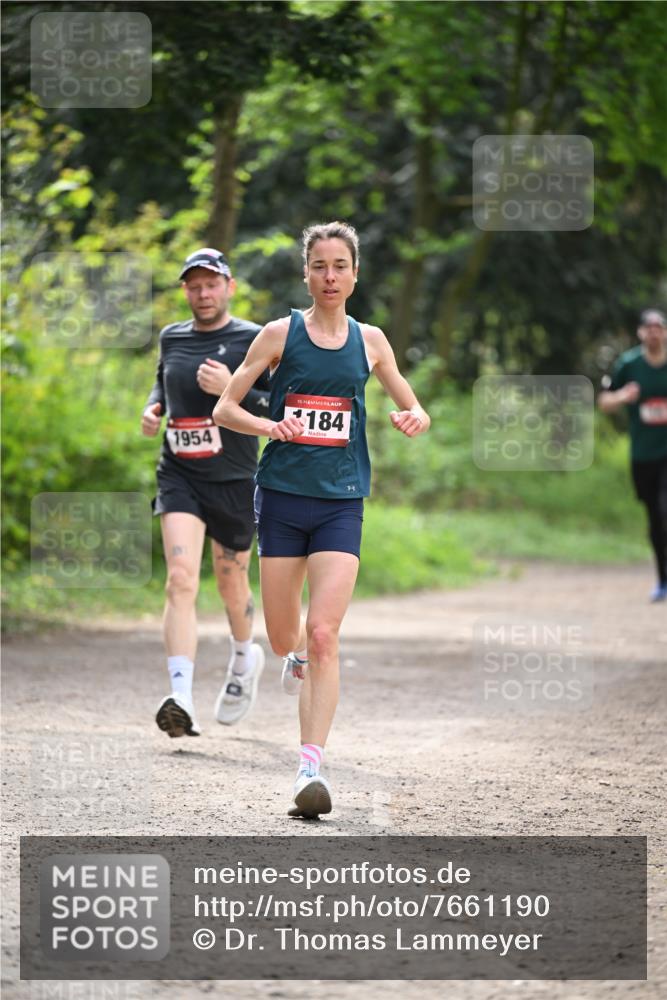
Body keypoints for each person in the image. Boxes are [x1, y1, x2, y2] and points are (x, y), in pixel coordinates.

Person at [213, 221, 430, 818]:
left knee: (324, 633)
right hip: (281, 498)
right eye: (319, 266)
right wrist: (269, 426)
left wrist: (416, 418)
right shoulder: (279, 334)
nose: (329, 277)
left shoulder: (373, 341)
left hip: (341, 501)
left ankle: (310, 767)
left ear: (355, 275)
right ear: (306, 273)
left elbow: (412, 404)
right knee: (287, 638)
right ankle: (291, 658)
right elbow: (226, 406)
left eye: (340, 266)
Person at [142, 247, 270, 739]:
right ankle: (181, 696)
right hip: (179, 473)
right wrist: (154, 409)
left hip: (235, 478)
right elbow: (162, 385)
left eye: (211, 284)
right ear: (185, 291)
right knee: (180, 579)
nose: (202, 293)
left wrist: (230, 389)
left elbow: (275, 404)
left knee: (231, 583)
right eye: (193, 285)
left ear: (229, 287)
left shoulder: (253, 338)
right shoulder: (171, 337)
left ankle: (244, 659)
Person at [598, 308, 667, 602]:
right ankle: (663, 579)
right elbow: (604, 401)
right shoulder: (629, 364)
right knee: (655, 517)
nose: (653, 332)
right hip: (643, 453)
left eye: (659, 328)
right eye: (648, 328)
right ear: (641, 333)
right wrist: (623, 397)